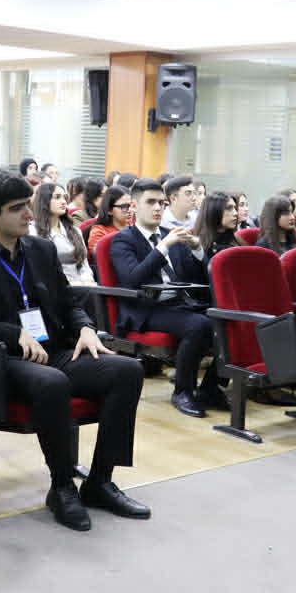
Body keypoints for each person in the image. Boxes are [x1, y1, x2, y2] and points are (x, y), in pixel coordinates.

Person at [0, 169, 149, 531]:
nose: (28, 214)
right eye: (17, 208)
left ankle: (100, 482)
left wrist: (85, 328)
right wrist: (12, 333)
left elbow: (68, 302)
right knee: (52, 382)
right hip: (0, 359)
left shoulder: (40, 249)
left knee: (128, 370)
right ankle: (62, 486)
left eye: (28, 204)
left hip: (53, 350)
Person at [110, 178, 227, 417]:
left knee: (230, 320)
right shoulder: (123, 240)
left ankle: (210, 388)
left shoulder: (169, 234)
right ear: (134, 206)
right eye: (151, 202)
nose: (158, 208)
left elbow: (196, 277)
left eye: (161, 203)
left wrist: (197, 249)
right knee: (200, 325)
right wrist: (162, 247)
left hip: (179, 303)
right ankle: (183, 391)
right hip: (146, 308)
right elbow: (133, 279)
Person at [31, 183, 95, 285]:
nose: (64, 202)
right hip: (55, 286)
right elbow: (39, 269)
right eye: (57, 197)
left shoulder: (74, 230)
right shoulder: (32, 231)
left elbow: (84, 265)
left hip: (82, 286)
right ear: (44, 201)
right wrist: (70, 284)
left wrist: (87, 281)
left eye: (65, 198)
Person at [193, 191, 244, 261]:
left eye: (235, 208)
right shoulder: (199, 247)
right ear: (214, 211)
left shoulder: (236, 239)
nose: (235, 213)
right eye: (229, 208)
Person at [87, 185, 131, 259]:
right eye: (124, 207)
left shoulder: (135, 227)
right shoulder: (99, 232)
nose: (130, 210)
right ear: (109, 210)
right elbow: (103, 259)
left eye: (132, 205)